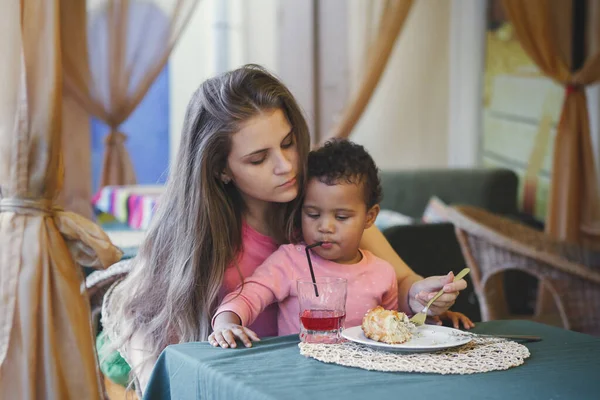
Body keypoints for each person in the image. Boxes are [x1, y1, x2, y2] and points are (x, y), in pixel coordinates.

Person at [102, 65, 468, 392]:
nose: (286, 166)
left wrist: (425, 296)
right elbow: (143, 331)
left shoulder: (326, 214)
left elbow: (400, 282)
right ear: (221, 170)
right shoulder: (193, 234)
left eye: (288, 143)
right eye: (259, 158)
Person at [209, 140, 473, 348]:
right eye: (313, 214)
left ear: (370, 217)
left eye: (342, 217)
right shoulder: (290, 260)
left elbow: (394, 329)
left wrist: (432, 314)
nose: (326, 226)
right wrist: (226, 321)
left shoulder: (382, 272)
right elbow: (249, 294)